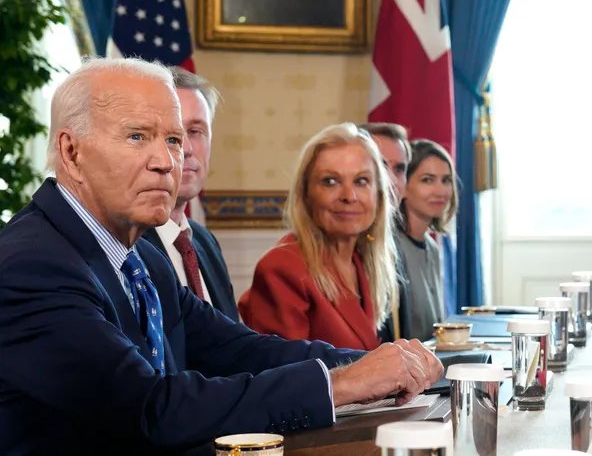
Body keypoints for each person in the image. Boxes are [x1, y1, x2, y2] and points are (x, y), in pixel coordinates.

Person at [0, 58, 442, 454]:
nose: (167, 161)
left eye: (174, 140)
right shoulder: (33, 265)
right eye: (137, 137)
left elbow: (239, 349)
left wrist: (375, 367)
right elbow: (151, 408)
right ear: (71, 152)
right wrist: (342, 384)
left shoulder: (143, 258)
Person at [240, 123, 400, 350]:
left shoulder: (361, 261)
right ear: (306, 194)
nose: (349, 195)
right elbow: (287, 377)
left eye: (361, 181)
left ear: (379, 195)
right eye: (330, 181)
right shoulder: (281, 268)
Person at [143, 67, 239, 321]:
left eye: (196, 131)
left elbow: (236, 347)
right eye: (172, 135)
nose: (185, 149)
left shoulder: (205, 242)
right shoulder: (128, 244)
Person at [360, 121, 417, 341]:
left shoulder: (392, 244)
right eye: (381, 166)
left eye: (399, 169)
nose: (391, 180)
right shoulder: (343, 250)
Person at [396, 139, 458, 341]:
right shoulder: (390, 248)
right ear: (403, 186)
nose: (440, 191)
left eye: (446, 180)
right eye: (427, 180)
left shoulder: (432, 247)